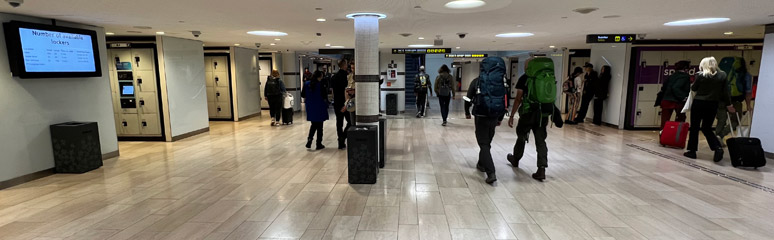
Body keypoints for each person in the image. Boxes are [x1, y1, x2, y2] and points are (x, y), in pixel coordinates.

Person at [506, 58, 554, 181]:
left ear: (528, 67)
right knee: (541, 141)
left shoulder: (524, 78)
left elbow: (518, 99)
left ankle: (516, 159)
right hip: (542, 114)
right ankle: (541, 169)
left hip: (527, 114)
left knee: (521, 136)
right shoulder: (548, 76)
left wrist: (511, 115)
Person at [684, 57, 734, 162]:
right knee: (706, 128)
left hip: (699, 103)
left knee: (695, 127)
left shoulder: (701, 75)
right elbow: (726, 92)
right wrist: (729, 104)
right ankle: (717, 147)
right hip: (713, 104)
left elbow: (694, 88)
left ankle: (692, 151)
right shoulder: (723, 75)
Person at [468, 57, 507, 184]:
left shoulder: (477, 82)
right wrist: (500, 117)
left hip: (481, 116)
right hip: (495, 115)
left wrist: (466, 111)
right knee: (487, 142)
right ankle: (481, 164)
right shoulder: (502, 82)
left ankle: (491, 173)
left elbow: (468, 98)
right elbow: (504, 100)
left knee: (484, 144)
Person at [716, 58, 754, 143]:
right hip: (736, 100)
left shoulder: (721, 73)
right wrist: (748, 105)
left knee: (721, 120)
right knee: (735, 121)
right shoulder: (746, 75)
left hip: (721, 100)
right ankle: (721, 135)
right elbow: (748, 92)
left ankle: (717, 139)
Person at [302, 71, 330, 150]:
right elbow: (324, 96)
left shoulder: (307, 84)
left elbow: (303, 95)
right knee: (320, 126)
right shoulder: (321, 85)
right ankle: (319, 143)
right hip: (320, 106)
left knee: (313, 124)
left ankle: (310, 140)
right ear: (320, 76)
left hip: (310, 107)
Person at [659, 61, 691, 129]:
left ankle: (663, 136)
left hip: (666, 100)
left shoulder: (671, 76)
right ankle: (677, 136)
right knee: (680, 119)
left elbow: (664, 87)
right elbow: (675, 87)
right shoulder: (685, 76)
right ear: (685, 68)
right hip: (677, 101)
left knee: (664, 121)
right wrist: (683, 97)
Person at [331, 60, 352, 149]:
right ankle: (343, 137)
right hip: (345, 102)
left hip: (336, 102)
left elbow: (332, 91)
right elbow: (346, 90)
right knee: (350, 122)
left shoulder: (334, 77)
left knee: (339, 122)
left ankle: (340, 139)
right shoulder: (346, 77)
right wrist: (346, 103)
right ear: (344, 65)